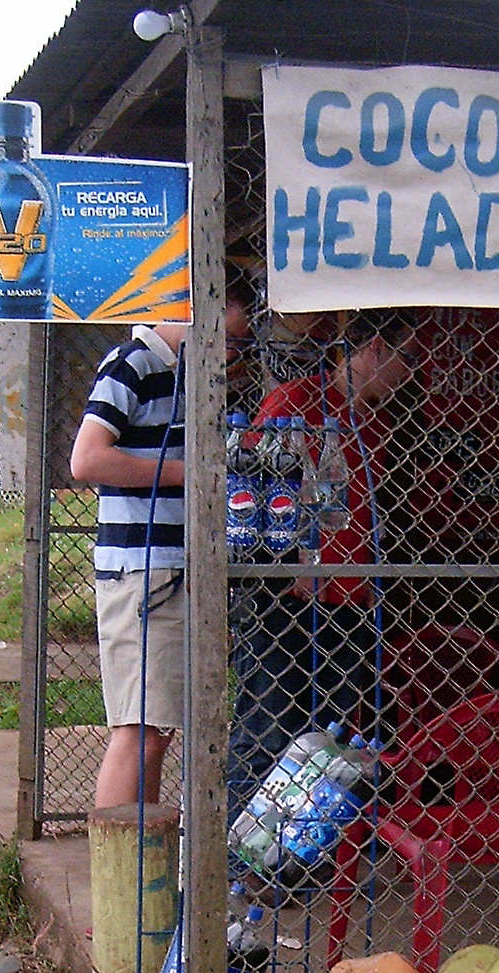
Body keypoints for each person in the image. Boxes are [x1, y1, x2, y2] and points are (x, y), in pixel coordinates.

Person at [70, 276, 254, 809]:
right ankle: (119, 877)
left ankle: (138, 866)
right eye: (227, 338)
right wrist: (189, 473)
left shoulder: (185, 377)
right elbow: (87, 459)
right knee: (140, 728)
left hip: (174, 567)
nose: (229, 353)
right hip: (146, 569)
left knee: (157, 727)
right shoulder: (133, 363)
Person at [227, 308, 420, 815]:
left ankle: (290, 856)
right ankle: (236, 854)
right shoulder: (297, 403)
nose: (410, 372)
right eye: (406, 357)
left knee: (325, 737)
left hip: (350, 597)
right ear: (375, 349)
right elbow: (250, 488)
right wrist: (290, 562)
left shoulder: (374, 423)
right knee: (269, 726)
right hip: (289, 595)